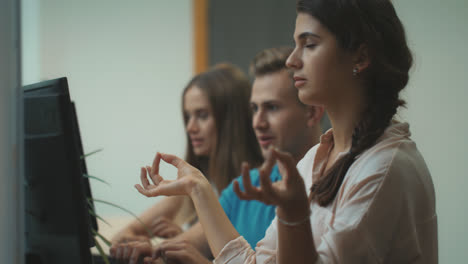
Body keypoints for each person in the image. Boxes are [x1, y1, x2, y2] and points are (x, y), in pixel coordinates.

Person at [136, 0, 438, 263]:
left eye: (309, 44)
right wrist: (197, 188)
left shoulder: (385, 168)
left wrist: (294, 214)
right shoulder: (314, 161)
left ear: (360, 57)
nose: (293, 61)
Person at [137, 47, 324, 264]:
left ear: (312, 112)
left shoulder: (328, 188)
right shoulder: (242, 188)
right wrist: (148, 252)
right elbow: (176, 251)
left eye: (272, 108)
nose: (258, 122)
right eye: (254, 109)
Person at [109, 63, 263, 260]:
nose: (190, 127)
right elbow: (122, 237)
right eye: (188, 116)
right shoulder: (194, 183)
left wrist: (174, 241)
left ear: (230, 120)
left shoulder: (248, 189)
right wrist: (144, 244)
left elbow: (172, 252)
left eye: (202, 115)